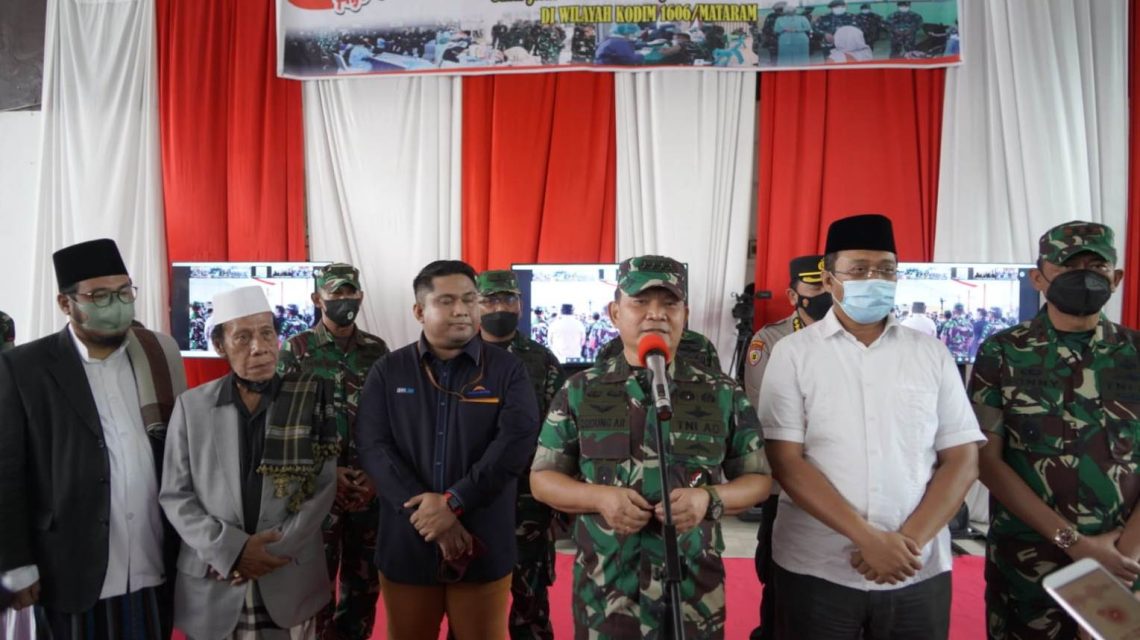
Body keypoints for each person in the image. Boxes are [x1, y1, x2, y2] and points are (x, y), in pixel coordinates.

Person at [759, 214, 984, 639]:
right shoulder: (793, 353)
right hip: (817, 565)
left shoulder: (930, 354)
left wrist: (907, 542)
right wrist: (868, 539)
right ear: (829, 280)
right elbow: (786, 461)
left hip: (917, 566)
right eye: (859, 269)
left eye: (885, 270)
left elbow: (962, 458)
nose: (874, 279)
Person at [530, 255, 771, 639]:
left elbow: (757, 480)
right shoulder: (580, 390)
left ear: (685, 315)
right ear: (615, 313)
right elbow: (543, 479)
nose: (655, 314)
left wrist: (707, 499)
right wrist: (600, 498)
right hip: (607, 593)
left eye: (669, 304)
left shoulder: (722, 393)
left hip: (695, 593)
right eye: (640, 302)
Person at [0, 238, 187, 638]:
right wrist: (15, 562)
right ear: (65, 303)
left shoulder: (158, 353)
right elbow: (6, 471)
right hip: (71, 568)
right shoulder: (24, 368)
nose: (115, 305)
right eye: (99, 296)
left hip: (154, 560)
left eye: (123, 292)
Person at [972, 221, 1140, 639]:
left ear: (1116, 278)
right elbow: (986, 461)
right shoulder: (1002, 351)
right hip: (1028, 564)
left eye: (1096, 267)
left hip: (1126, 562)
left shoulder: (1136, 353)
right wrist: (1074, 543)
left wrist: (1122, 555)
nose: (1083, 276)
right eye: (1068, 266)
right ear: (1038, 277)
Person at [354, 260, 539, 639]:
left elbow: (514, 445)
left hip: (481, 540)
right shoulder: (389, 370)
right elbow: (373, 446)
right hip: (409, 539)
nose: (462, 310)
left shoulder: (508, 370)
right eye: (447, 301)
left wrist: (454, 502)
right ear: (419, 311)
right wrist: (427, 513)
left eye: (470, 299)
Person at [160, 286, 338, 639]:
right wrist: (233, 552)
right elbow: (176, 495)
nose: (259, 347)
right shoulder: (192, 407)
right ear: (220, 346)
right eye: (242, 337)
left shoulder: (307, 397)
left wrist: (268, 553)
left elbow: (322, 487)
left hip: (287, 572)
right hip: (216, 575)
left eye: (266, 333)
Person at [277, 263, 390, 640]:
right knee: (314, 587)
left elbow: (390, 418)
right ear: (317, 298)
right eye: (335, 293)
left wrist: (374, 473)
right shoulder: (296, 351)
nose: (344, 299)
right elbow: (284, 425)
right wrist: (327, 473)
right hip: (316, 492)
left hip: (367, 491)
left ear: (360, 295)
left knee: (363, 588)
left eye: (350, 292)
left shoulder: (377, 350)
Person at [475, 270, 567, 640]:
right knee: (472, 605)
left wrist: (560, 503)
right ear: (476, 305)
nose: (499, 307)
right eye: (490, 300)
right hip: (471, 500)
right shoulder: (456, 356)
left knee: (531, 601)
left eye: (507, 299)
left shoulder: (542, 360)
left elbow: (561, 436)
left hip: (529, 501)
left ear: (520, 304)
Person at [743, 255, 830, 640]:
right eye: (815, 286)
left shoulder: (855, 338)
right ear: (794, 295)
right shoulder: (771, 341)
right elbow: (768, 414)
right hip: (788, 483)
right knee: (780, 582)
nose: (825, 293)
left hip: (842, 481)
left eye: (829, 284)